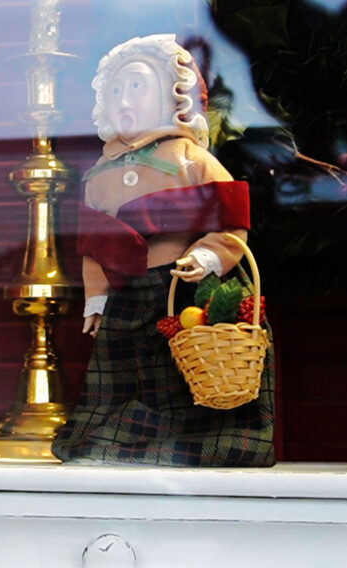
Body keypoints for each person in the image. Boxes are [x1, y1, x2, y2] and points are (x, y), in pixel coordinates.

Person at [50, 34, 275, 466]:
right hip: (127, 292)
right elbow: (93, 243)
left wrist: (209, 255)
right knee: (127, 373)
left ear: (173, 97)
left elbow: (230, 219)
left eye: (136, 86)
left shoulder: (188, 157)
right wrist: (96, 298)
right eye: (115, 90)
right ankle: (124, 436)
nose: (124, 98)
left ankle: (199, 436)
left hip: (182, 286)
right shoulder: (99, 172)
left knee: (179, 371)